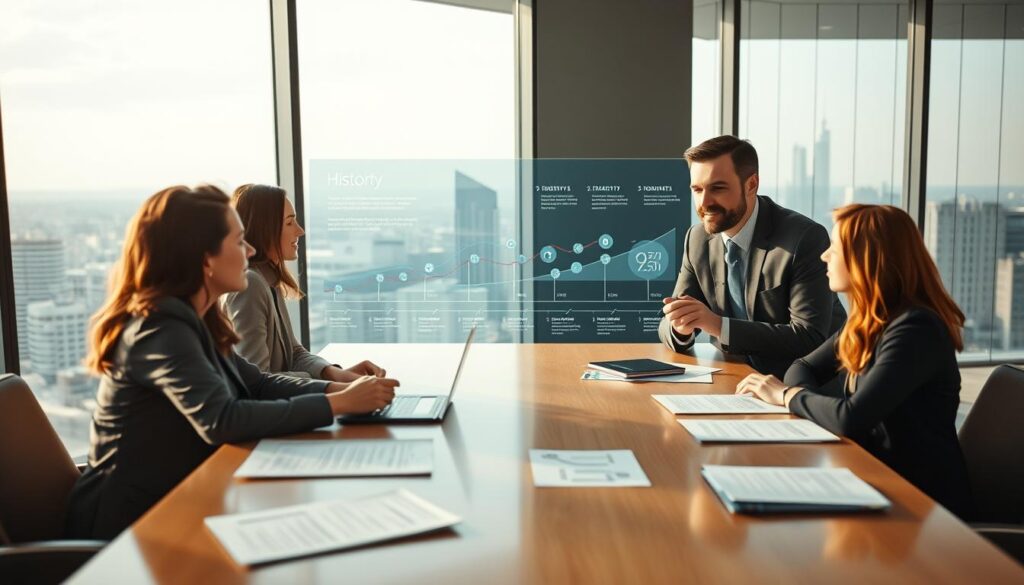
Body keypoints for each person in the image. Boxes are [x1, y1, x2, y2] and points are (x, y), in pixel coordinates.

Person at [65, 185, 399, 539]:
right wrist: (338, 403)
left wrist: (340, 388)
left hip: (180, 503)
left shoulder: (198, 320)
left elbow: (258, 383)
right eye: (240, 242)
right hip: (128, 527)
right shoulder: (159, 329)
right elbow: (222, 419)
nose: (251, 250)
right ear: (206, 259)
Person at [736, 204, 975, 520]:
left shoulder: (915, 329)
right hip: (873, 478)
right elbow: (802, 367)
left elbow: (851, 418)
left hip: (921, 507)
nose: (824, 256)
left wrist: (787, 396)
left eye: (835, 248)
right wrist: (809, 405)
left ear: (867, 258)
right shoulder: (869, 321)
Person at [659, 135, 846, 378]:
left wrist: (717, 325)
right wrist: (680, 327)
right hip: (734, 379)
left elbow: (809, 337)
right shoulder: (697, 240)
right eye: (697, 189)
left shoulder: (803, 238)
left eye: (717, 188)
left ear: (751, 185)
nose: (704, 202)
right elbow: (667, 326)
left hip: (805, 387)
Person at [222, 184, 387, 382]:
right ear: (265, 228)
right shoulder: (251, 285)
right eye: (290, 223)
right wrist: (327, 384)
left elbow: (294, 353)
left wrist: (336, 374)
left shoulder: (268, 281)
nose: (300, 231)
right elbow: (257, 382)